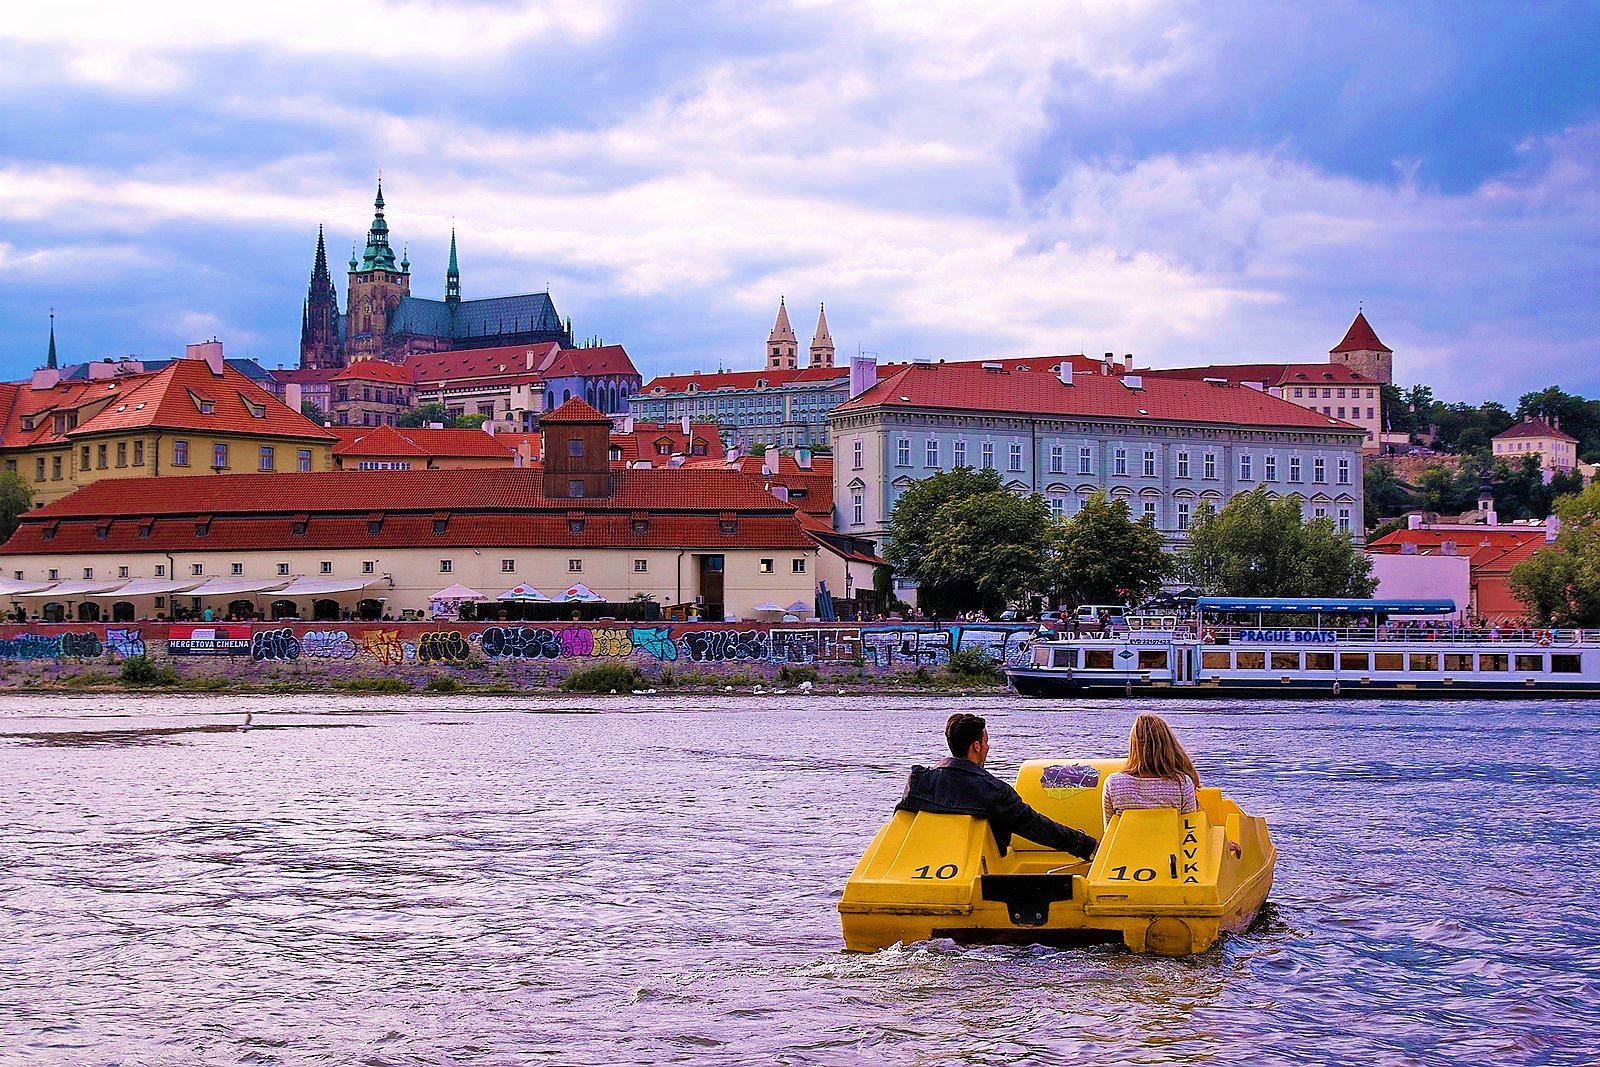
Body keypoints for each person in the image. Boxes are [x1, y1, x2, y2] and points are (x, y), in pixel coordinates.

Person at [897, 714, 1097, 860]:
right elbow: (1037, 827)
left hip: (923, 862)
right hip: (979, 869)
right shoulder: (994, 791)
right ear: (976, 746)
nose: (987, 747)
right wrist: (1086, 845)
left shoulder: (918, 781)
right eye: (986, 742)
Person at [1102, 713, 1201, 822]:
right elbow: (1190, 830)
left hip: (1129, 839)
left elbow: (1110, 831)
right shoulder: (1182, 783)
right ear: (1168, 744)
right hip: (1169, 839)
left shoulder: (1113, 783)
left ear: (1134, 746)